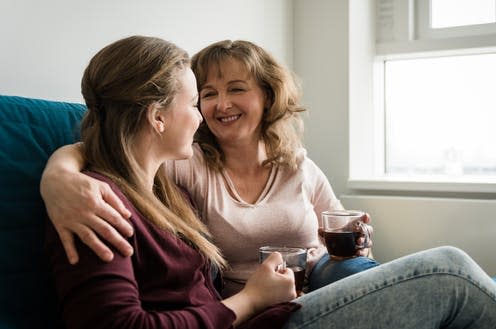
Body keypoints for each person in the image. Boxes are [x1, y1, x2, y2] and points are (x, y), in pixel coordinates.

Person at [44, 34, 496, 329]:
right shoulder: (103, 203)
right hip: (262, 315)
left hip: (284, 305)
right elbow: (104, 136)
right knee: (449, 271)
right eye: (197, 99)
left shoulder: (166, 192)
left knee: (440, 282)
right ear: (158, 116)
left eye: (235, 89)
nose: (206, 112)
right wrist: (59, 176)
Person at [41, 39, 379, 297]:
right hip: (252, 304)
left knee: (363, 273)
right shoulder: (189, 162)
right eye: (207, 94)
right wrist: (58, 176)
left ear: (267, 95)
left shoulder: (298, 165)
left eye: (236, 89)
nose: (221, 104)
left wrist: (360, 243)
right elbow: (109, 149)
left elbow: (344, 237)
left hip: (319, 283)